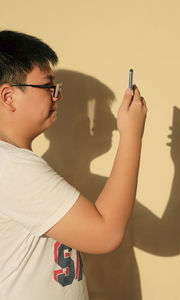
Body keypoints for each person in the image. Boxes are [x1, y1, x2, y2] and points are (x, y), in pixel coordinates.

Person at [0, 30, 147, 300]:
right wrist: (131, 134)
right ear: (8, 97)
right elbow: (106, 234)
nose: (57, 96)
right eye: (47, 87)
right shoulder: (11, 166)